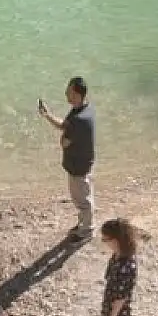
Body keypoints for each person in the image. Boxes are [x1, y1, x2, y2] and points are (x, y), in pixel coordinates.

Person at [38, 76, 95, 240]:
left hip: (78, 167)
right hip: (84, 163)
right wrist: (47, 115)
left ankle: (87, 231)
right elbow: (65, 126)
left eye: (69, 91)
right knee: (84, 197)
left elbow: (64, 142)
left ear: (77, 94)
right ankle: (84, 223)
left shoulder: (78, 119)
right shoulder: (84, 109)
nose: (65, 94)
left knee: (82, 201)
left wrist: (63, 139)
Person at [98, 218, 139, 316]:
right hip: (110, 308)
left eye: (105, 239)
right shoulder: (117, 255)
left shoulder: (126, 267)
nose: (104, 242)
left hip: (118, 314)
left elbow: (121, 298)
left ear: (116, 240)